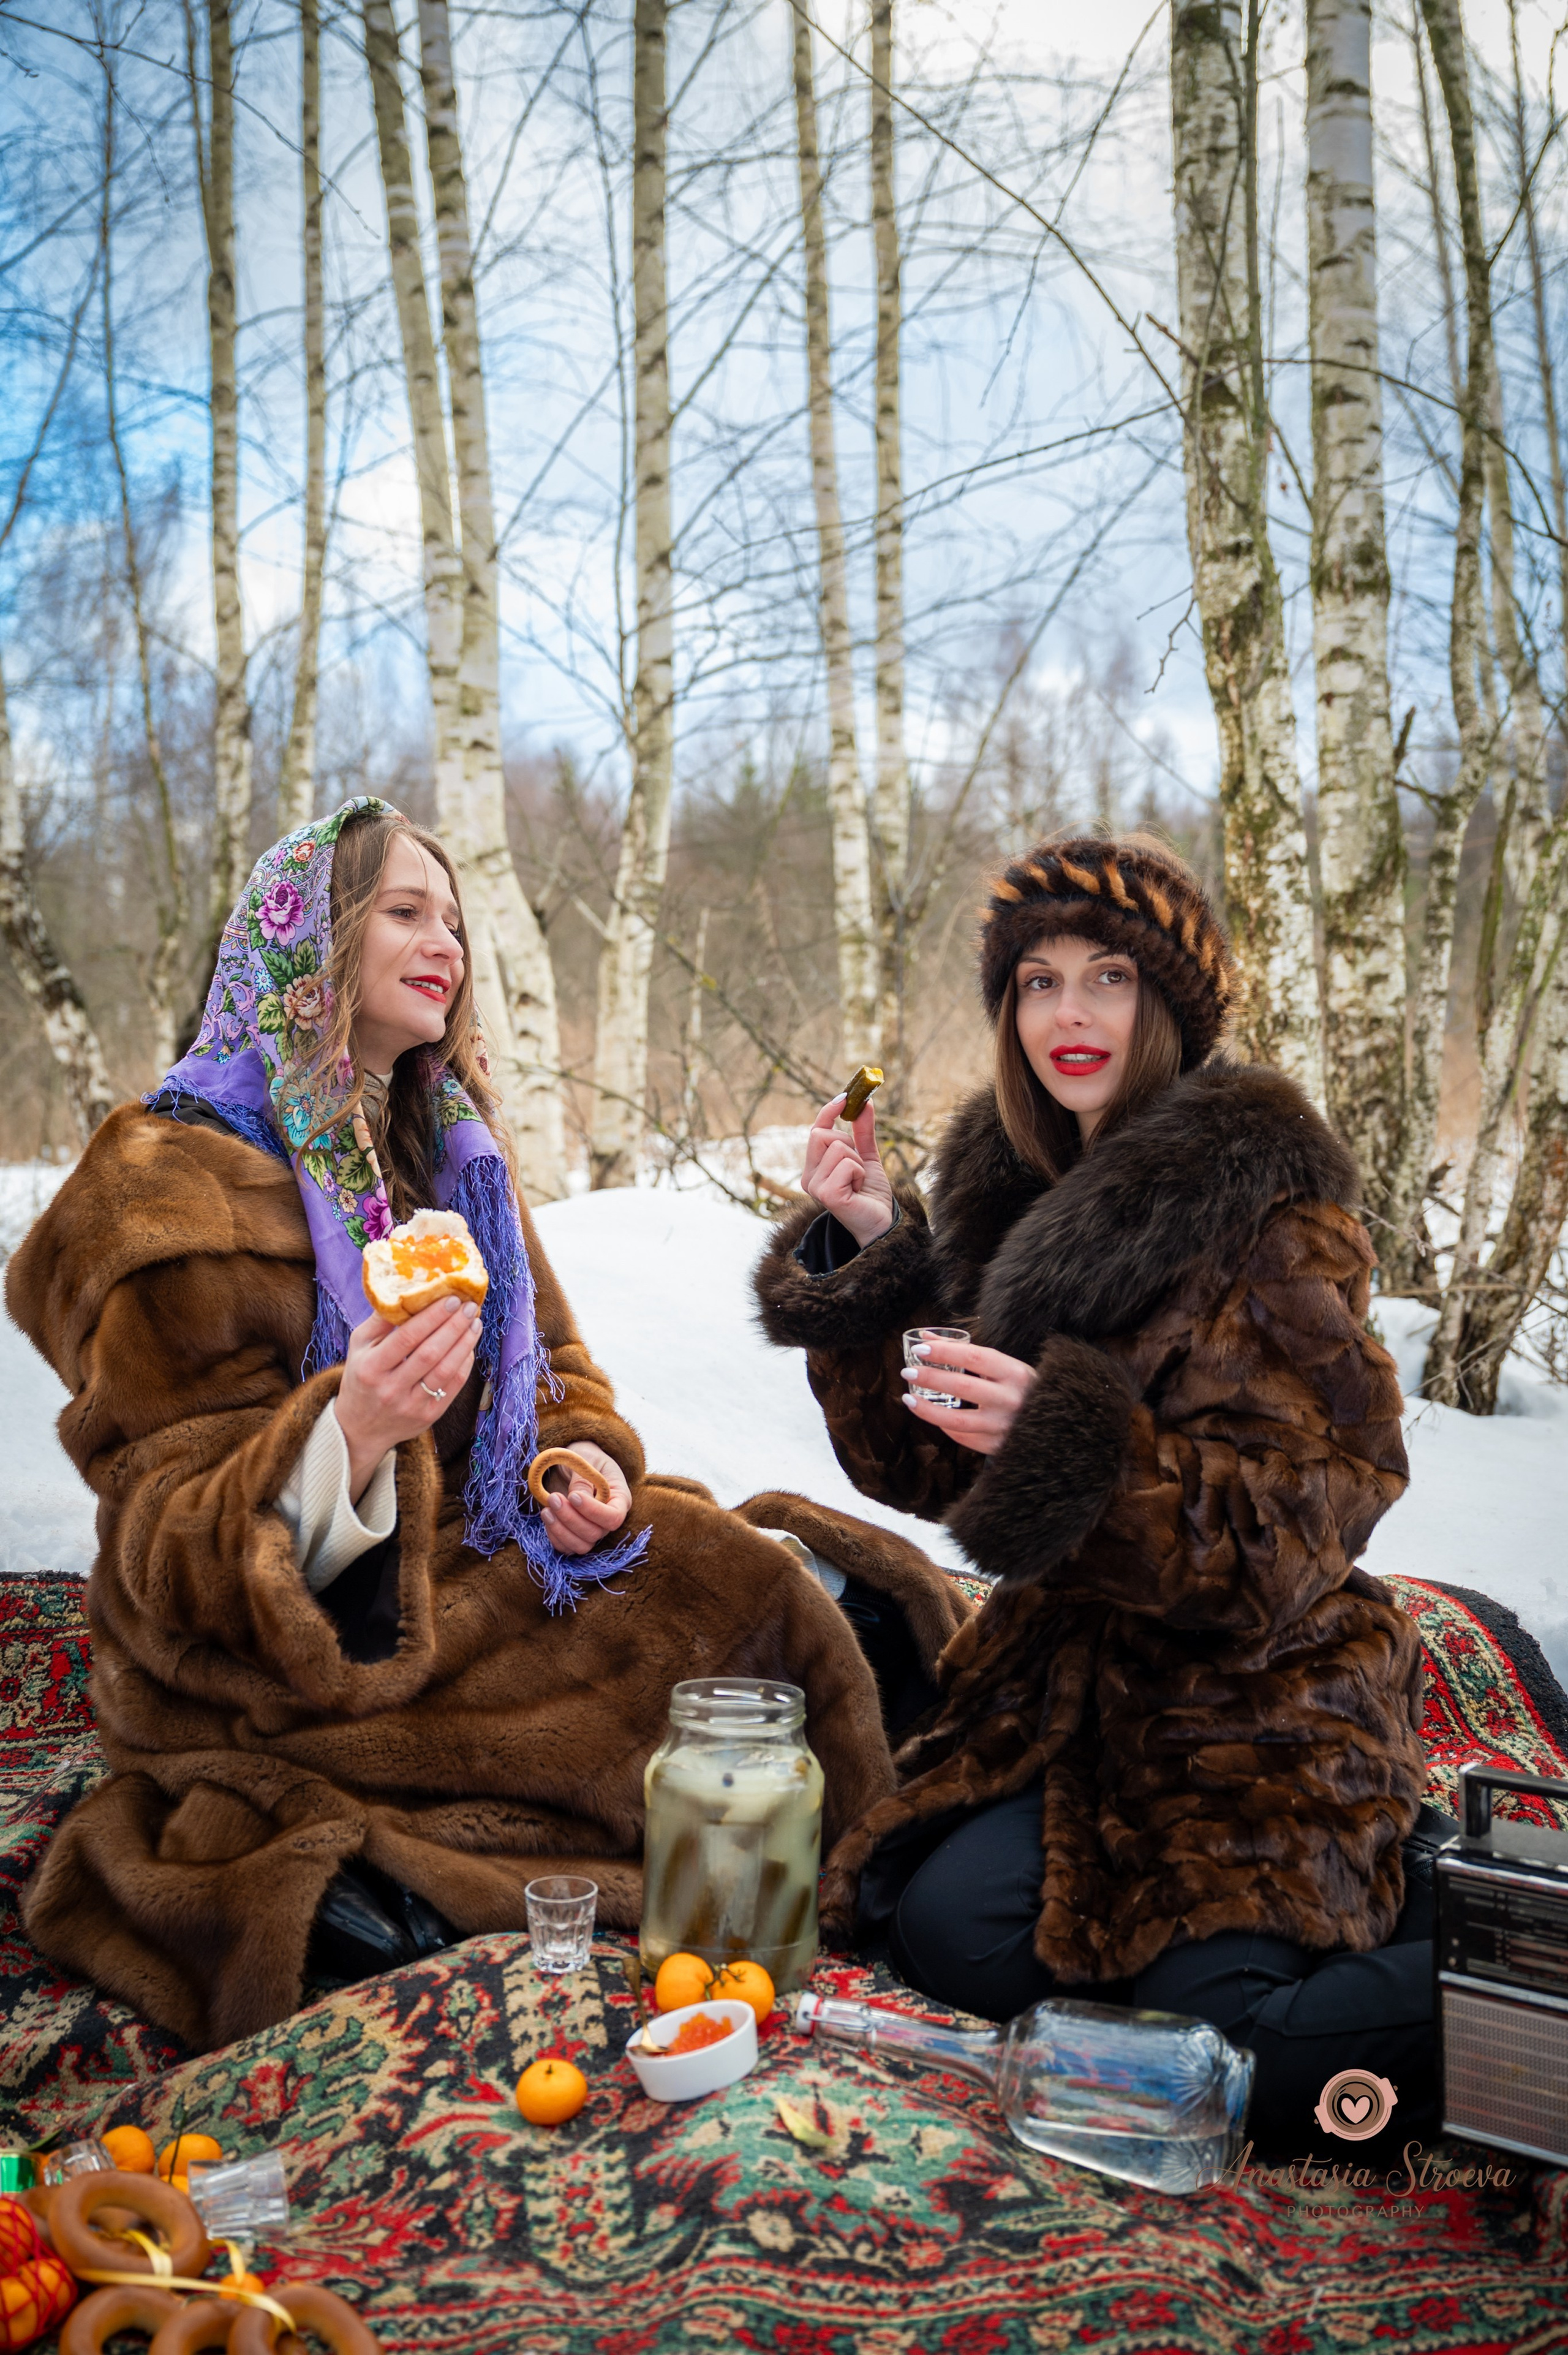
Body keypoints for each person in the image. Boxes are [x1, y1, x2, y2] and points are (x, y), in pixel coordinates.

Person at [8, 798, 967, 2052]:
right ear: (306, 940)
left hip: (482, 1553)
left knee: (757, 1580)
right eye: (405, 911)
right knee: (697, 1667)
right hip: (290, 1638)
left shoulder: (447, 1148)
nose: (445, 943)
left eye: (454, 919)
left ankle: (896, 1831)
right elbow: (164, 1537)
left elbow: (561, 1375)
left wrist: (581, 1463)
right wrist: (348, 1435)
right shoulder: (169, 1183)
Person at [755, 834, 1444, 2159]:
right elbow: (920, 1466)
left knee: (1234, 2055)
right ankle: (1360, 1902)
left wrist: (1084, 1446)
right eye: (1036, 981)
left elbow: (1303, 1521)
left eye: (1107, 976)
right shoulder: (1011, 1187)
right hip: (1074, 1688)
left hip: (1256, 1690)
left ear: (1169, 1001)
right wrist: (872, 1250)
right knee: (939, 1925)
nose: (1067, 1015)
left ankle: (1462, 1939)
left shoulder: (1273, 1214)